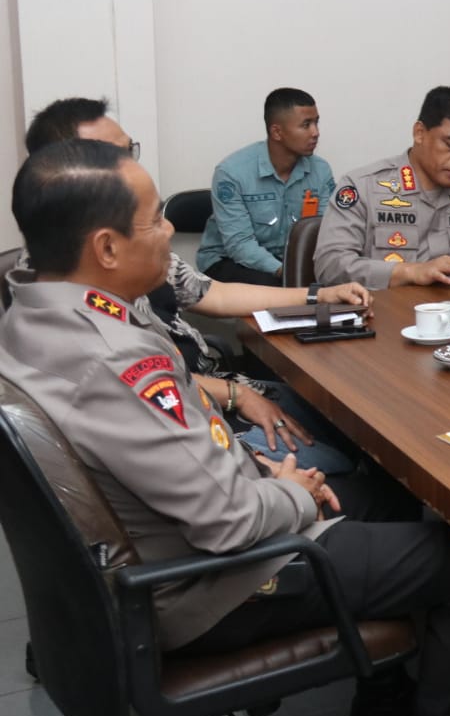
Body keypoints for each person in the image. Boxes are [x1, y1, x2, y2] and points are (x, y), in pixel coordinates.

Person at [4, 140, 450, 716]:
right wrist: (293, 495)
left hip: (160, 547)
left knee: (388, 491)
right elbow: (230, 522)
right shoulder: (113, 358)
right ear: (105, 248)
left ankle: (381, 698)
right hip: (213, 582)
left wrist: (258, 470)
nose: (169, 232)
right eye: (156, 220)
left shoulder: (31, 313)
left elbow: (172, 459)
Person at [21, 98, 370, 475]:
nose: (131, 167)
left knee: (341, 423)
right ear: (63, 173)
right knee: (337, 467)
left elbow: (212, 293)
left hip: (212, 383)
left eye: (128, 151)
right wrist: (238, 401)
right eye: (110, 156)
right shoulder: (61, 283)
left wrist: (317, 295)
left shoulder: (135, 245)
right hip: (192, 416)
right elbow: (140, 390)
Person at [315, 86, 450, 288]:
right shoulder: (363, 186)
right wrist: (410, 271)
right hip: (383, 306)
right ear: (419, 133)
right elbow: (329, 266)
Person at [195, 87, 335, 286]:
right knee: (278, 290)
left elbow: (323, 231)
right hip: (228, 260)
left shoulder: (320, 170)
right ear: (277, 132)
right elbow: (239, 245)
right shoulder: (231, 173)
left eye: (316, 123)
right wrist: (290, 273)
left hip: (289, 261)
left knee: (338, 283)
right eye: (306, 125)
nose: (316, 133)